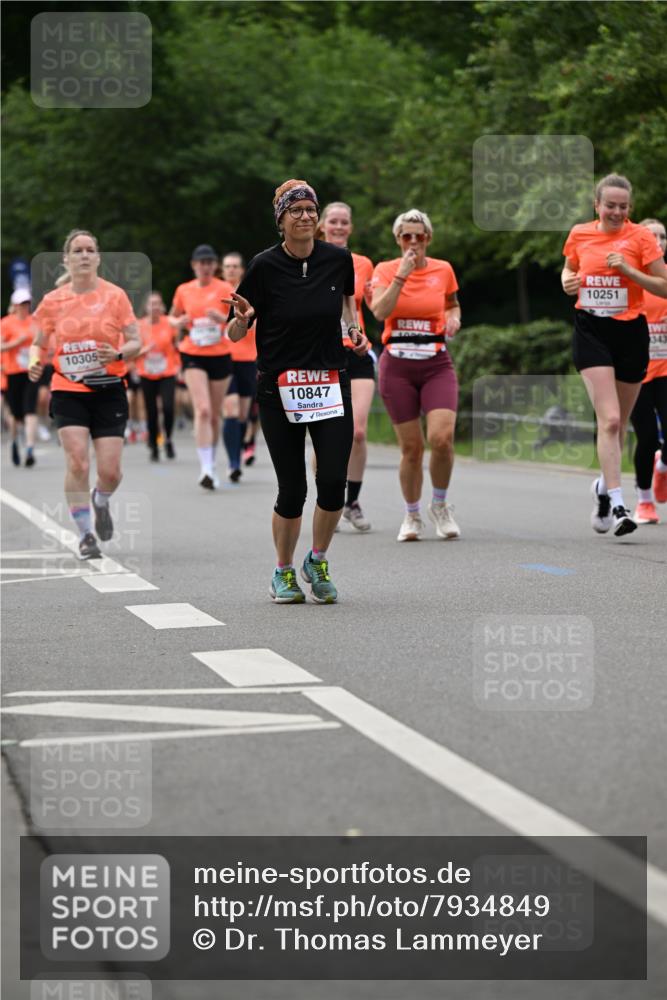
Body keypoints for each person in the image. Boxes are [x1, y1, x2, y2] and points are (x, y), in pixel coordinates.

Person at [225, 178, 368, 603]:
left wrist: (354, 329)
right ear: (282, 221)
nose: (305, 217)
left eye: (310, 210)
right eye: (296, 211)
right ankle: (283, 570)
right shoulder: (264, 266)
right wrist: (244, 318)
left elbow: (346, 302)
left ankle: (317, 559)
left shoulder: (338, 260)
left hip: (329, 383)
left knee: (332, 483)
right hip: (279, 387)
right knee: (293, 489)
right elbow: (234, 333)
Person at [561, 175, 667, 536]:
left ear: (630, 209)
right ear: (597, 205)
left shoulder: (641, 238)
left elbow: (664, 286)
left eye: (623, 207)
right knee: (608, 421)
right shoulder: (579, 234)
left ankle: (603, 491)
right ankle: (622, 505)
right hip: (591, 330)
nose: (617, 212)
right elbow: (570, 269)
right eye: (610, 205)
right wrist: (566, 280)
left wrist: (628, 270)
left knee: (620, 424)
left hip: (631, 334)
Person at [28, 229, 141, 559]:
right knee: (77, 460)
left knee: (110, 472)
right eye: (77, 250)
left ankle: (101, 499)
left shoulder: (115, 296)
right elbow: (38, 343)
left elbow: (136, 341)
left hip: (108, 390)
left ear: (98, 257)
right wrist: (36, 363)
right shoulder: (53, 301)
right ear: (66, 259)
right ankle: (86, 535)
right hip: (68, 388)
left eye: (90, 250)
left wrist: (119, 354)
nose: (84, 255)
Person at [371, 209, 462, 542]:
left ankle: (439, 505)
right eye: (406, 236)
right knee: (411, 448)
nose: (413, 242)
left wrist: (453, 318)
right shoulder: (385, 270)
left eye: (419, 236)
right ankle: (411, 515)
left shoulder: (443, 270)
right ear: (398, 239)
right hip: (397, 365)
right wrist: (402, 276)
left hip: (436, 363)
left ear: (428, 239)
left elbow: (452, 303)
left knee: (441, 438)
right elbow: (379, 310)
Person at [317, 202, 375, 531]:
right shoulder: (311, 259)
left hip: (356, 351)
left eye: (344, 222)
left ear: (350, 228)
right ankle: (327, 500)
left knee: (357, 431)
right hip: (322, 355)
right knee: (323, 433)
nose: (339, 226)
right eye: (333, 221)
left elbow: (373, 302)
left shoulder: (363, 263)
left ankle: (352, 501)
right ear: (323, 225)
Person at [169, 245, 234, 489]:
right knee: (203, 410)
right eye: (201, 262)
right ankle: (205, 469)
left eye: (209, 262)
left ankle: (212, 462)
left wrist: (222, 319)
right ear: (194, 265)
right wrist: (179, 321)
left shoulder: (224, 288)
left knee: (215, 416)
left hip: (220, 354)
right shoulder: (183, 290)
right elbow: (172, 317)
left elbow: (240, 319)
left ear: (214, 265)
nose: (205, 266)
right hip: (192, 353)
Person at [629, 218, 667, 523]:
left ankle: (663, 468)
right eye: (650, 236)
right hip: (637, 373)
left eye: (662, 236)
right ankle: (644, 500)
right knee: (647, 439)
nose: (658, 241)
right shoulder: (627, 279)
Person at [220, 252, 257, 482]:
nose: (232, 270)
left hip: (249, 359)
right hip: (223, 359)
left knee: (243, 414)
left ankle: (240, 452)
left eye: (235, 266)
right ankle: (234, 462)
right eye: (227, 266)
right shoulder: (215, 293)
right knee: (231, 410)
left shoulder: (252, 292)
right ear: (222, 270)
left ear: (242, 270)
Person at [136, 290, 180, 461]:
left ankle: (168, 438)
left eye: (157, 304)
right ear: (146, 307)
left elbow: (177, 345)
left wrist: (179, 365)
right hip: (146, 372)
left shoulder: (169, 323)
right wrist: (143, 350)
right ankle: (154, 444)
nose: (154, 307)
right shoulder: (139, 326)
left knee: (168, 407)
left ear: (162, 306)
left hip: (167, 371)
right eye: (151, 304)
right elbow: (132, 349)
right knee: (151, 411)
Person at [1, 289, 38, 466]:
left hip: (31, 371)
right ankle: (15, 441)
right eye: (22, 304)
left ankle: (30, 448)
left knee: (30, 409)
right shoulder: (6, 323)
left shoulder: (34, 322)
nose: (25, 307)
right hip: (13, 372)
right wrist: (17, 342)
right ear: (15, 306)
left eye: (27, 303)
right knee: (16, 414)